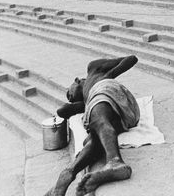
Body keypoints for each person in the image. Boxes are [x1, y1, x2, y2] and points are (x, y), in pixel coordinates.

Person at [44, 54, 140, 196]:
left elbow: (132, 59)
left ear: (76, 81)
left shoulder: (93, 69)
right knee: (95, 138)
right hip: (123, 114)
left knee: (98, 121)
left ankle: (115, 161)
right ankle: (69, 172)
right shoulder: (87, 101)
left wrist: (110, 74)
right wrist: (79, 103)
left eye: (69, 93)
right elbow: (62, 111)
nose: (70, 98)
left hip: (110, 89)